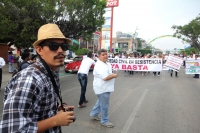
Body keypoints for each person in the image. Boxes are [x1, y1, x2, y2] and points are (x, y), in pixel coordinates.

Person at [0, 23, 75, 132]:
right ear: (39, 50)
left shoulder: (49, 73)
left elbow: (38, 109)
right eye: (53, 46)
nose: (60, 50)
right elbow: (12, 130)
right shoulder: (29, 79)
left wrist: (55, 109)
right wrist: (55, 120)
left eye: (63, 46)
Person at [90, 49, 118, 128]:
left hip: (106, 87)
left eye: (106, 54)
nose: (105, 56)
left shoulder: (107, 63)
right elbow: (105, 78)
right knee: (104, 105)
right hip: (102, 88)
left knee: (100, 102)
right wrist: (114, 75)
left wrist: (112, 73)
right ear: (98, 56)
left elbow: (108, 72)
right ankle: (104, 121)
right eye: (103, 54)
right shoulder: (99, 65)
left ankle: (94, 113)